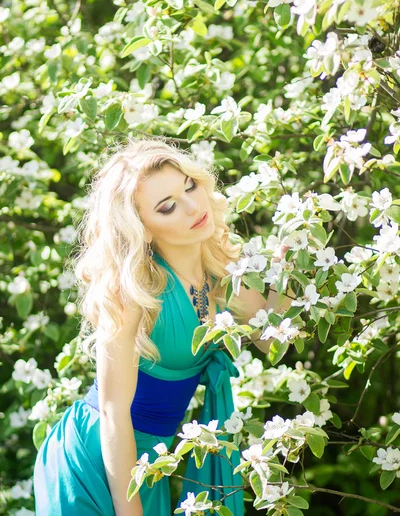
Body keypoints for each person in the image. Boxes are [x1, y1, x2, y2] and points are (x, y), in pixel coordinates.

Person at [33, 136, 290, 515]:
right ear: (143, 228)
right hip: (97, 459)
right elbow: (112, 412)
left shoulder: (221, 273)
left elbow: (271, 343)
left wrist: (289, 268)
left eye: (190, 186)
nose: (192, 206)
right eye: (167, 207)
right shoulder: (134, 290)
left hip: (149, 464)